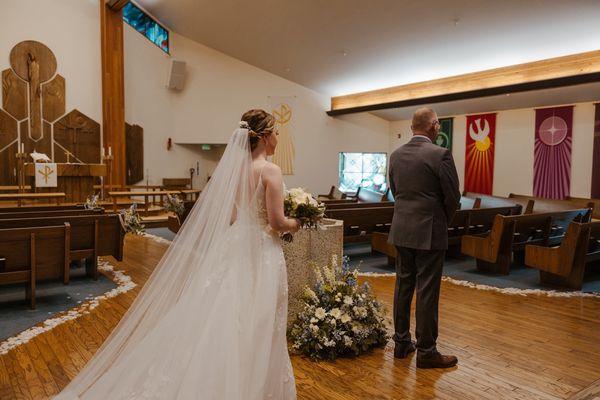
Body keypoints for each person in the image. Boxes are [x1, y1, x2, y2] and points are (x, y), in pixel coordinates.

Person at [55, 109, 300, 399]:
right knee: (259, 319)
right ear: (264, 137)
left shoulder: (235, 171)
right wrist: (300, 222)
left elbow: (234, 215)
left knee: (224, 315)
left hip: (236, 245)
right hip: (261, 252)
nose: (278, 138)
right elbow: (276, 223)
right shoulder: (270, 170)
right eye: (276, 133)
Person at [388, 107, 461, 369]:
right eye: (438, 124)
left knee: (403, 286)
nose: (439, 128)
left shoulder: (395, 155)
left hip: (401, 229)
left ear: (411, 127)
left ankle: (401, 343)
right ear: (434, 125)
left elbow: (395, 190)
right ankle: (427, 351)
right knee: (427, 290)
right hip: (429, 231)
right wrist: (442, 220)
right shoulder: (440, 154)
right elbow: (453, 197)